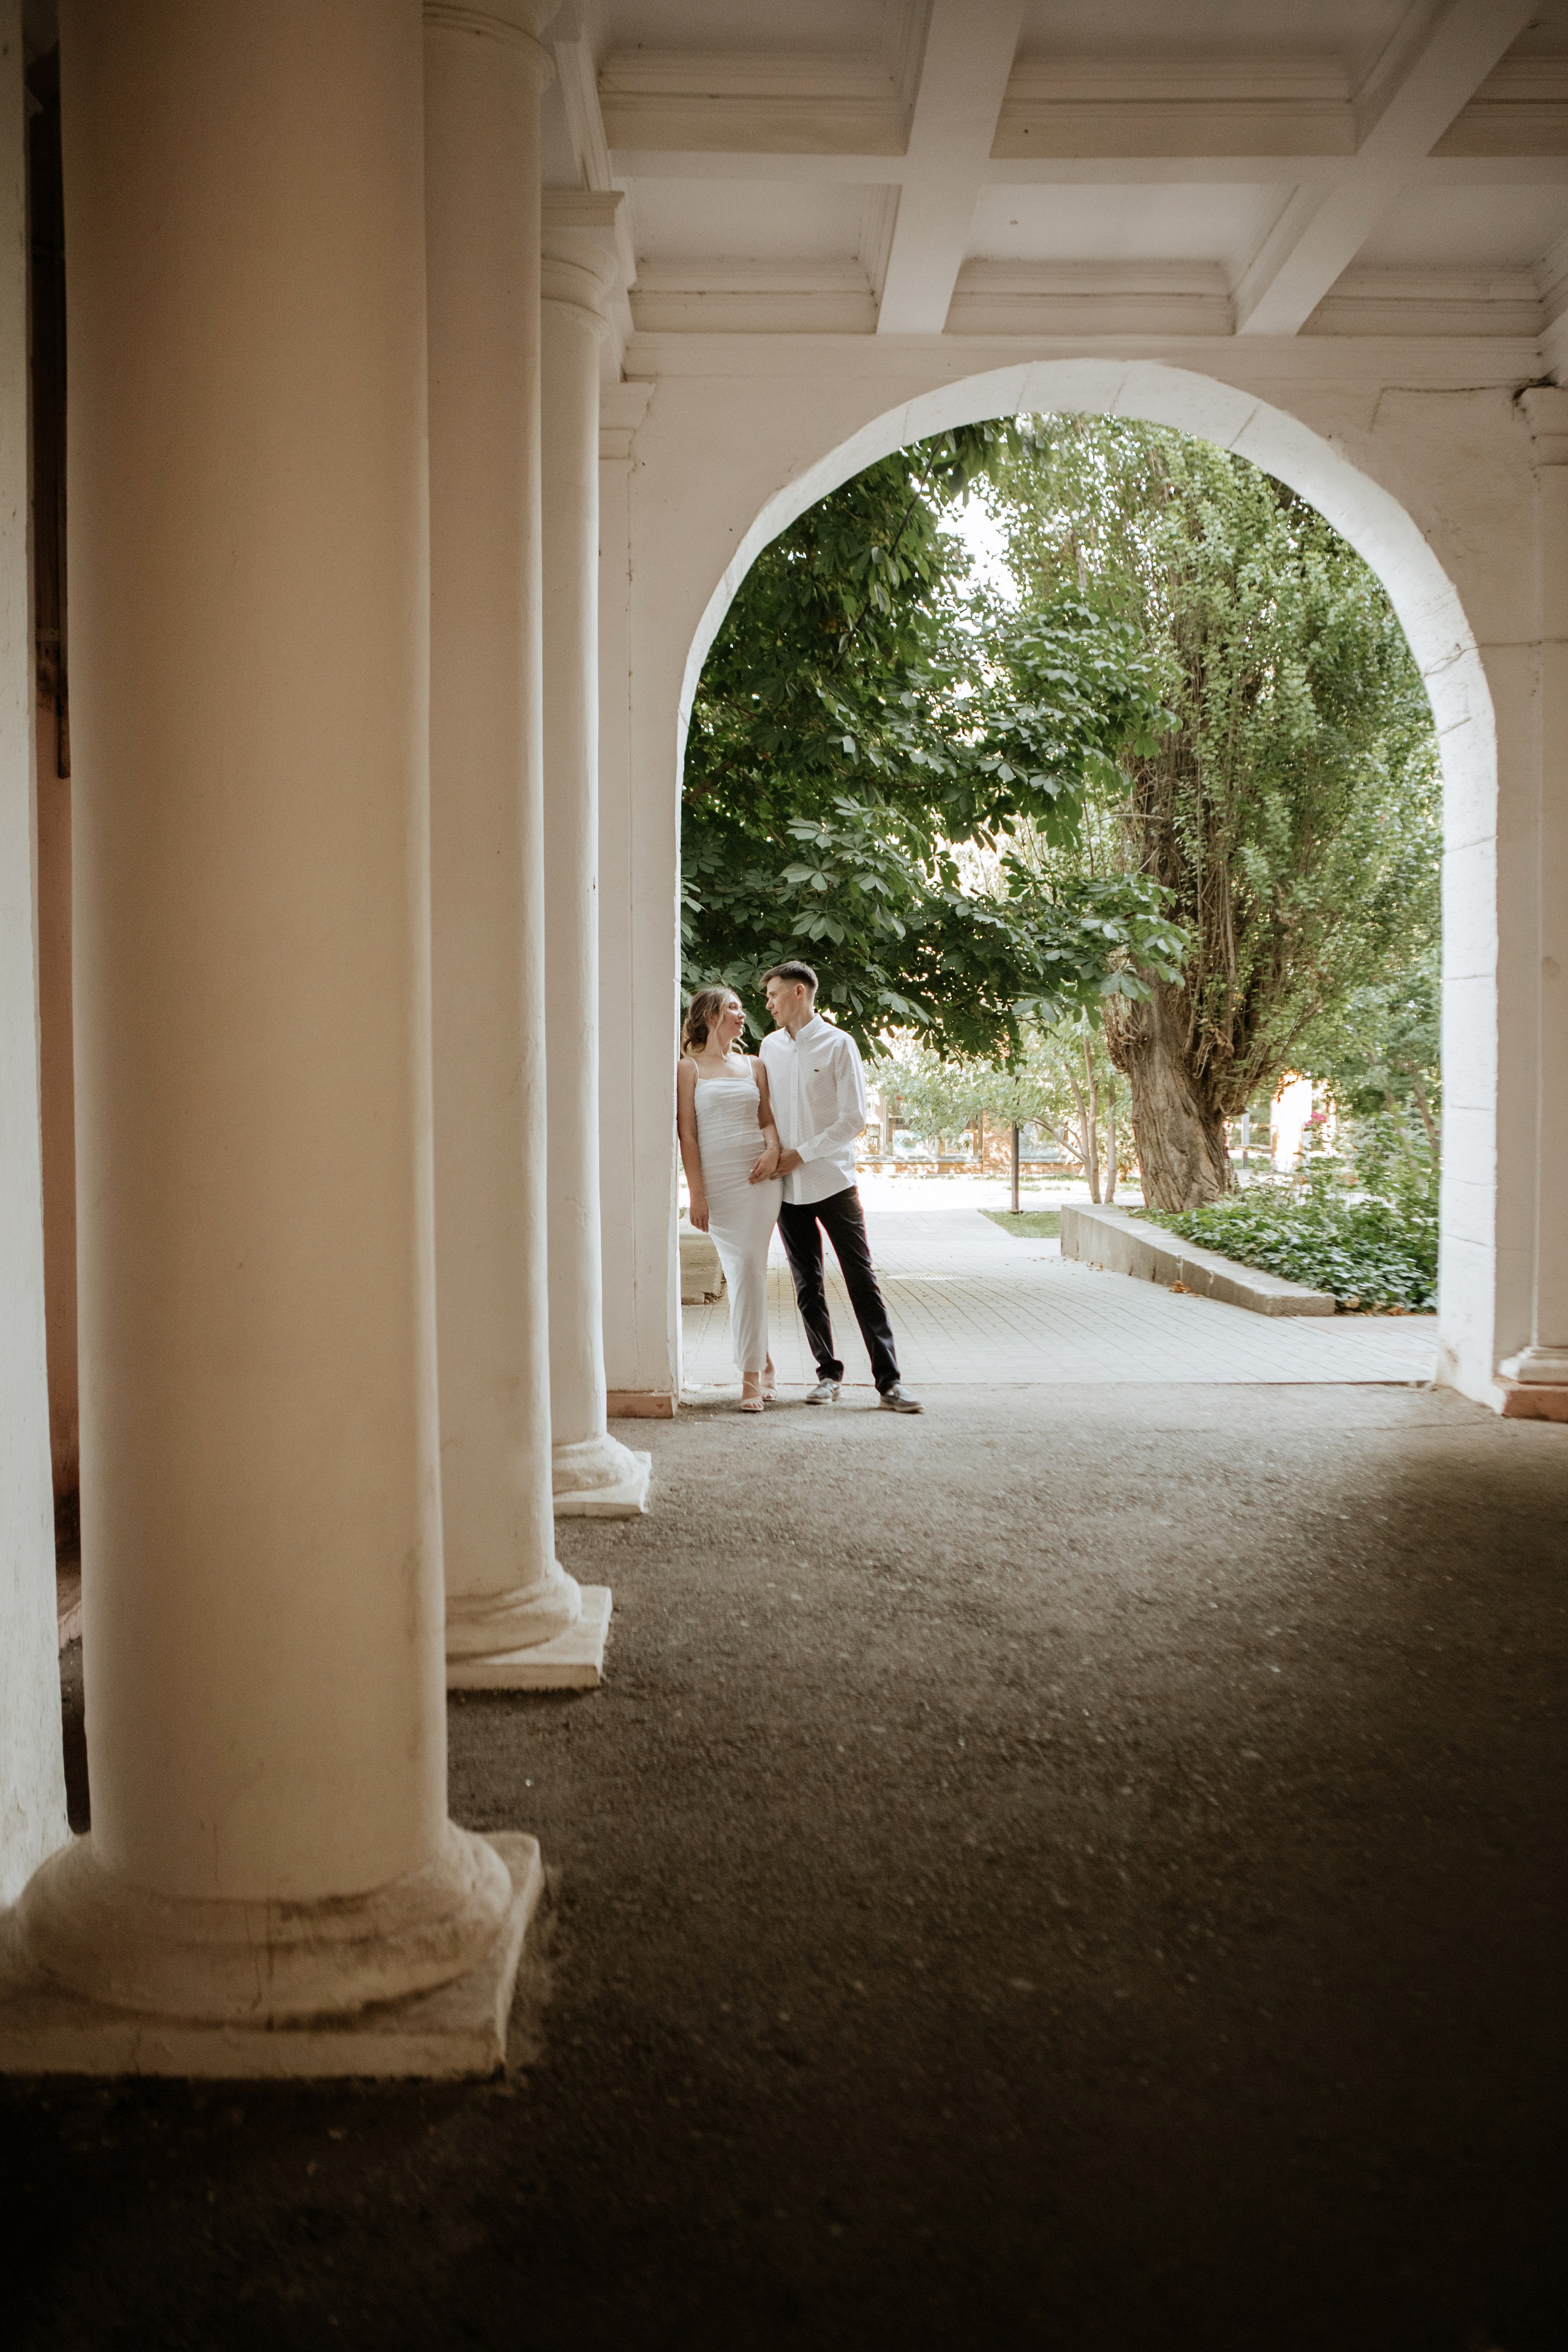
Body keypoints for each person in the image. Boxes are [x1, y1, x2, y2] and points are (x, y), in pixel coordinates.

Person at [756, 962, 923, 1413]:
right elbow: (764, 1111)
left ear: (798, 992)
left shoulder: (839, 1044)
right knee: (806, 1283)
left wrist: (802, 1153)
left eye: (773, 994)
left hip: (833, 1181)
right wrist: (776, 1154)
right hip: (787, 1188)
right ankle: (827, 1375)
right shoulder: (768, 1048)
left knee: (861, 1279)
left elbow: (853, 1118)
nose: (768, 1003)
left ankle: (889, 1383)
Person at [676, 986, 783, 1412]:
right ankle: (765, 1360)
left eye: (742, 1007)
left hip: (759, 1181)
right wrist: (696, 1195)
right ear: (709, 1015)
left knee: (750, 1270)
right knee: (743, 1275)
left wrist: (773, 1151)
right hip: (717, 1185)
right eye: (733, 1007)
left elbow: (768, 1119)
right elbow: (687, 1133)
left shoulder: (754, 1065)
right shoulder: (688, 1069)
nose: (743, 1014)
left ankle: (751, 1378)